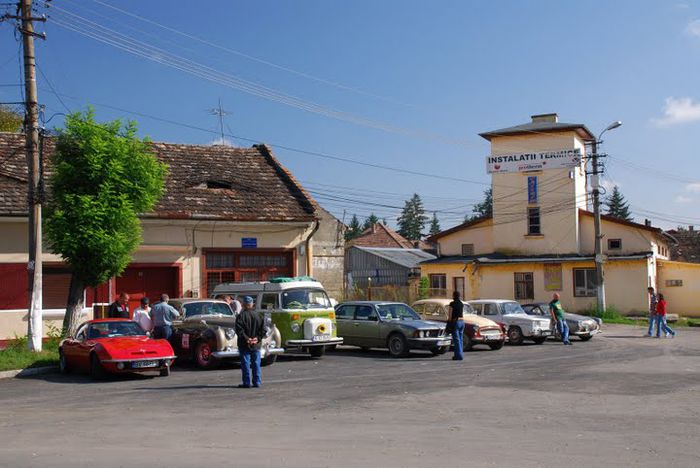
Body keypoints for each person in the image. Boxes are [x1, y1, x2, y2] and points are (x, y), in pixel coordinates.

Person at [234, 296, 265, 388]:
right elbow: (263, 330)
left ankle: (246, 382)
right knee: (256, 363)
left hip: (244, 344)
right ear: (252, 304)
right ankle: (257, 382)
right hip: (256, 344)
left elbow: (239, 330)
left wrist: (247, 339)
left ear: (243, 304)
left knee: (245, 363)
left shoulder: (241, 316)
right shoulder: (259, 316)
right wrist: (257, 338)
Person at [448, 291, 465, 361]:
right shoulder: (461, 304)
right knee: (460, 339)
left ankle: (458, 356)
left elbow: (450, 315)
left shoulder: (452, 304)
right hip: (462, 322)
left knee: (456, 340)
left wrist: (449, 323)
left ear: (453, 296)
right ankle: (460, 354)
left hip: (456, 322)